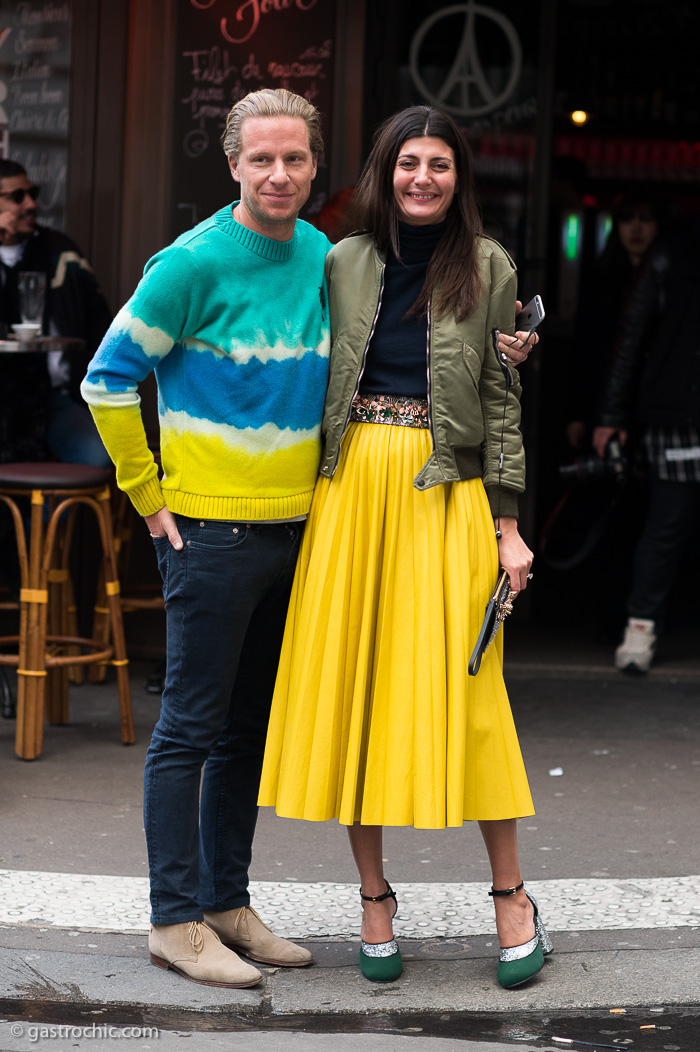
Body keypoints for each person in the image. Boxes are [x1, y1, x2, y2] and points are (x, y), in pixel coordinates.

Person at [259, 105, 550, 990]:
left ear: (461, 178)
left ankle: (513, 897)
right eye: (408, 163)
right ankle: (373, 900)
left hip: (446, 491)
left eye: (441, 165)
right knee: (359, 693)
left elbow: (502, 405)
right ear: (384, 173)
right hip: (349, 492)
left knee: (472, 696)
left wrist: (509, 528)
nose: (423, 178)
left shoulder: (489, 264)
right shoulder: (337, 259)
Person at [81, 88, 334, 990]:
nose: (278, 174)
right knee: (189, 730)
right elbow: (106, 382)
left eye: (294, 158)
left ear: (315, 163)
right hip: (209, 534)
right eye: (260, 158)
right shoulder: (189, 264)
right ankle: (173, 919)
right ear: (232, 164)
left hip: (297, 531)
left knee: (245, 732)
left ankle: (227, 903)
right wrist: (150, 499)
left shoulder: (323, 258)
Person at [593, 220, 700, 673]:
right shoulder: (676, 247)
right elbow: (631, 336)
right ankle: (641, 626)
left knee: (665, 528)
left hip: (675, 403)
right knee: (666, 525)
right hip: (679, 407)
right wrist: (612, 416)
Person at [0, 159, 112, 466]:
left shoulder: (59, 250)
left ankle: (47, 516)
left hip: (52, 397)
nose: (31, 204)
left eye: (32, 193)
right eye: (17, 197)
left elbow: (101, 323)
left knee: (96, 455)